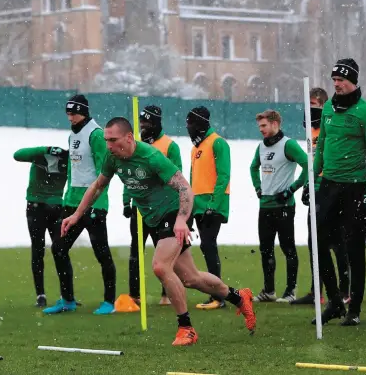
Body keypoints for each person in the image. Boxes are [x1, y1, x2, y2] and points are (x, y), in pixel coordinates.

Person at [60, 117, 256, 346]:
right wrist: (76, 215)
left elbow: (184, 187)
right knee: (191, 278)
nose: (109, 145)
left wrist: (182, 220)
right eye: (106, 140)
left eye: (113, 140)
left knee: (160, 267)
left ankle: (186, 329)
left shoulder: (151, 157)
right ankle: (239, 296)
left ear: (129, 137)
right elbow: (97, 186)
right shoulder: (112, 157)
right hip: (154, 219)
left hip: (174, 214)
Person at [312, 58, 366, 326]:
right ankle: (335, 301)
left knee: (354, 249)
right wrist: (312, 181)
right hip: (328, 185)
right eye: (334, 80)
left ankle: (355, 309)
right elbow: (321, 148)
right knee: (318, 244)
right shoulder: (328, 107)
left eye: (341, 80)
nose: (337, 84)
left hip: (354, 188)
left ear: (353, 80)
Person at [43, 94, 117, 316]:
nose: (70, 118)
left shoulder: (96, 135)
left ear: (83, 112)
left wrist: (99, 201)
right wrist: (66, 198)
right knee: (59, 248)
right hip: (72, 203)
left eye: (73, 114)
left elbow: (105, 171)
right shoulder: (71, 136)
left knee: (101, 253)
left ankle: (109, 302)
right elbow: (72, 170)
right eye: (68, 114)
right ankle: (68, 300)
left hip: (93, 204)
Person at [293, 87, 349, 307]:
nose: (312, 108)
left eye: (316, 103)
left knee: (337, 244)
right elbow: (311, 163)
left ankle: (344, 290)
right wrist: (306, 185)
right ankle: (317, 291)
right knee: (314, 243)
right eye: (309, 104)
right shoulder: (309, 133)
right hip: (315, 192)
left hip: (333, 189)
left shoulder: (329, 126)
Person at [121, 105, 181, 309]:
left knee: (163, 254)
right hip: (140, 208)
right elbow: (129, 175)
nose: (143, 127)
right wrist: (126, 200)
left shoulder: (169, 146)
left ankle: (166, 294)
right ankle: (134, 294)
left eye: (147, 123)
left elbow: (177, 176)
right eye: (141, 123)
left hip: (162, 209)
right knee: (135, 251)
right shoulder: (135, 145)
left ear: (156, 123)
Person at [250, 110, 308, 303]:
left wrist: (291, 190)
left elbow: (309, 166)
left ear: (275, 124)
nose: (261, 130)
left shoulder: (288, 145)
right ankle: (269, 291)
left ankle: (290, 291)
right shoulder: (261, 147)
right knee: (265, 249)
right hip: (264, 206)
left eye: (264, 126)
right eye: (259, 127)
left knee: (287, 248)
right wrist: (258, 187)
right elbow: (253, 167)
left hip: (283, 206)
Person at [187, 106, 232, 310]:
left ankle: (219, 296)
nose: (189, 127)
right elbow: (192, 179)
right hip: (198, 205)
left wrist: (213, 204)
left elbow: (224, 175)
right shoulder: (195, 148)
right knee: (206, 247)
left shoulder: (218, 143)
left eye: (192, 123)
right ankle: (216, 294)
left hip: (213, 204)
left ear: (202, 123)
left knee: (209, 245)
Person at [13, 145, 69, 308]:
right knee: (58, 251)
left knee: (42, 250)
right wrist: (50, 150)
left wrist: (45, 150)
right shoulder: (67, 161)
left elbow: (18, 154)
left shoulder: (41, 157)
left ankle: (46, 295)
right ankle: (62, 295)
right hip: (54, 207)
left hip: (38, 207)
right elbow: (17, 154)